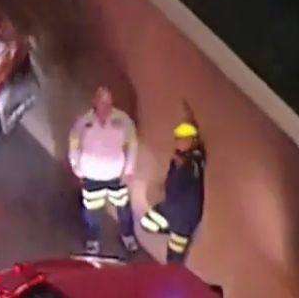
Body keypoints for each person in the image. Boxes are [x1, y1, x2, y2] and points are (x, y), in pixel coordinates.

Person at [68, 86, 140, 255]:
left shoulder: (122, 120)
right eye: (102, 102)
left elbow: (132, 143)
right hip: (92, 175)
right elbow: (74, 144)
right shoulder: (84, 122)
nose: (105, 107)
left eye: (108, 103)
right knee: (92, 212)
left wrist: (128, 169)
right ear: (95, 102)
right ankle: (92, 241)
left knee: (123, 208)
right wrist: (76, 166)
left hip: (117, 176)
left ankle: (128, 236)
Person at [139, 121, 207, 265]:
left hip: (184, 220)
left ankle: (173, 278)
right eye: (177, 138)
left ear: (191, 141)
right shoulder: (179, 159)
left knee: (174, 257)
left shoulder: (193, 163)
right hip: (170, 209)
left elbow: (187, 190)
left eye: (182, 139)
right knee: (146, 222)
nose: (178, 142)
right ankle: (170, 230)